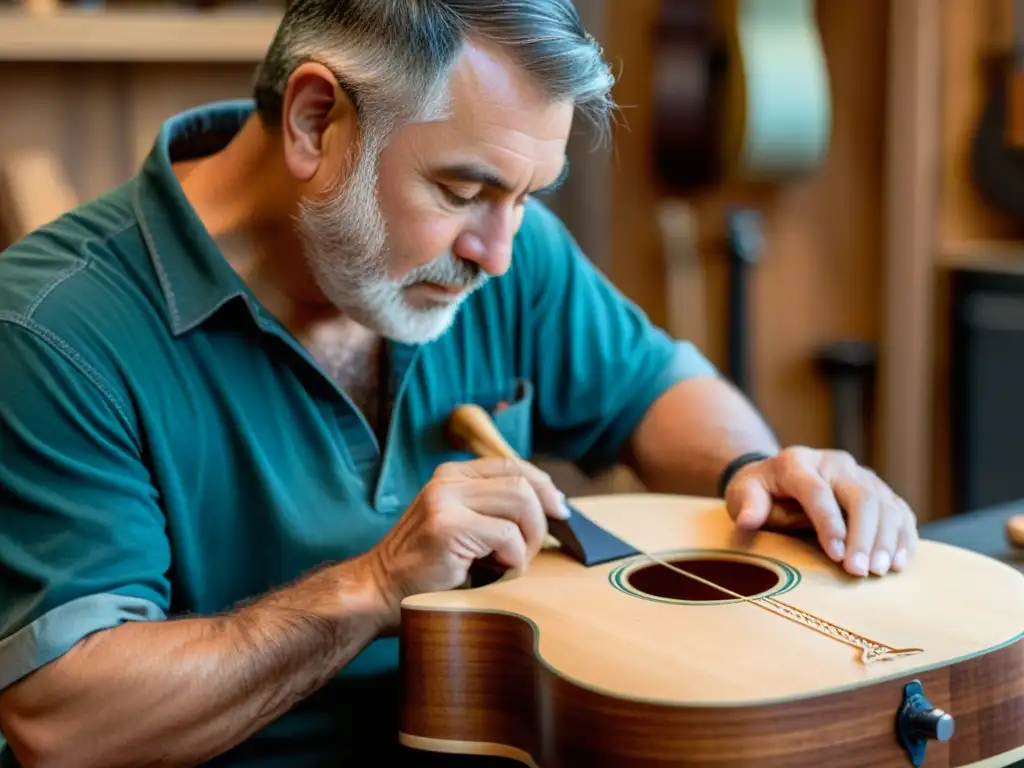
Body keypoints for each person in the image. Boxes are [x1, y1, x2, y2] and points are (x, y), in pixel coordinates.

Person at [0, 1, 919, 765]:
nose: (499, 252)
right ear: (316, 121)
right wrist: (372, 587)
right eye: (462, 190)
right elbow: (65, 722)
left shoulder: (500, 253)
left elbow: (655, 386)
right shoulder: (52, 331)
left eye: (530, 197)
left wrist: (754, 468)